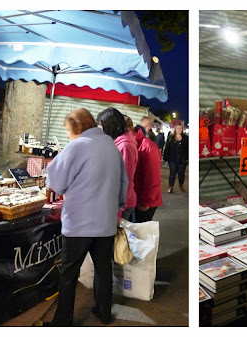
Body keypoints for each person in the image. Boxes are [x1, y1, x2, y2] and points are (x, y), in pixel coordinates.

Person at [45, 108, 128, 326]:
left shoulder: (77, 146)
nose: (67, 135)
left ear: (77, 128)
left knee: (68, 274)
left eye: (67, 130)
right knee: (103, 270)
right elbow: (123, 185)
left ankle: (62, 321)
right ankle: (104, 312)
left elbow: (56, 182)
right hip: (105, 223)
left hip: (79, 224)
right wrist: (115, 207)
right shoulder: (111, 145)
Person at [97, 108, 138, 222]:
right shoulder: (119, 142)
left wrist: (118, 211)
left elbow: (125, 180)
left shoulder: (125, 145)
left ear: (111, 126)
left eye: (101, 127)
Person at [132, 125, 163, 222]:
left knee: (141, 232)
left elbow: (152, 178)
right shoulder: (133, 144)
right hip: (136, 199)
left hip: (145, 201)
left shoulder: (147, 147)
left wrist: (145, 202)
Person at [163, 123, 188, 193]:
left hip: (182, 159)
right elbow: (167, 148)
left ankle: (181, 185)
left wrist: (187, 158)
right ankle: (171, 187)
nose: (179, 130)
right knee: (172, 172)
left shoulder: (186, 138)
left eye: (180, 128)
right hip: (172, 159)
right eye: (177, 128)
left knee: (181, 173)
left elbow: (188, 148)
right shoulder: (171, 137)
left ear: (182, 129)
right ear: (175, 129)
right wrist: (165, 158)